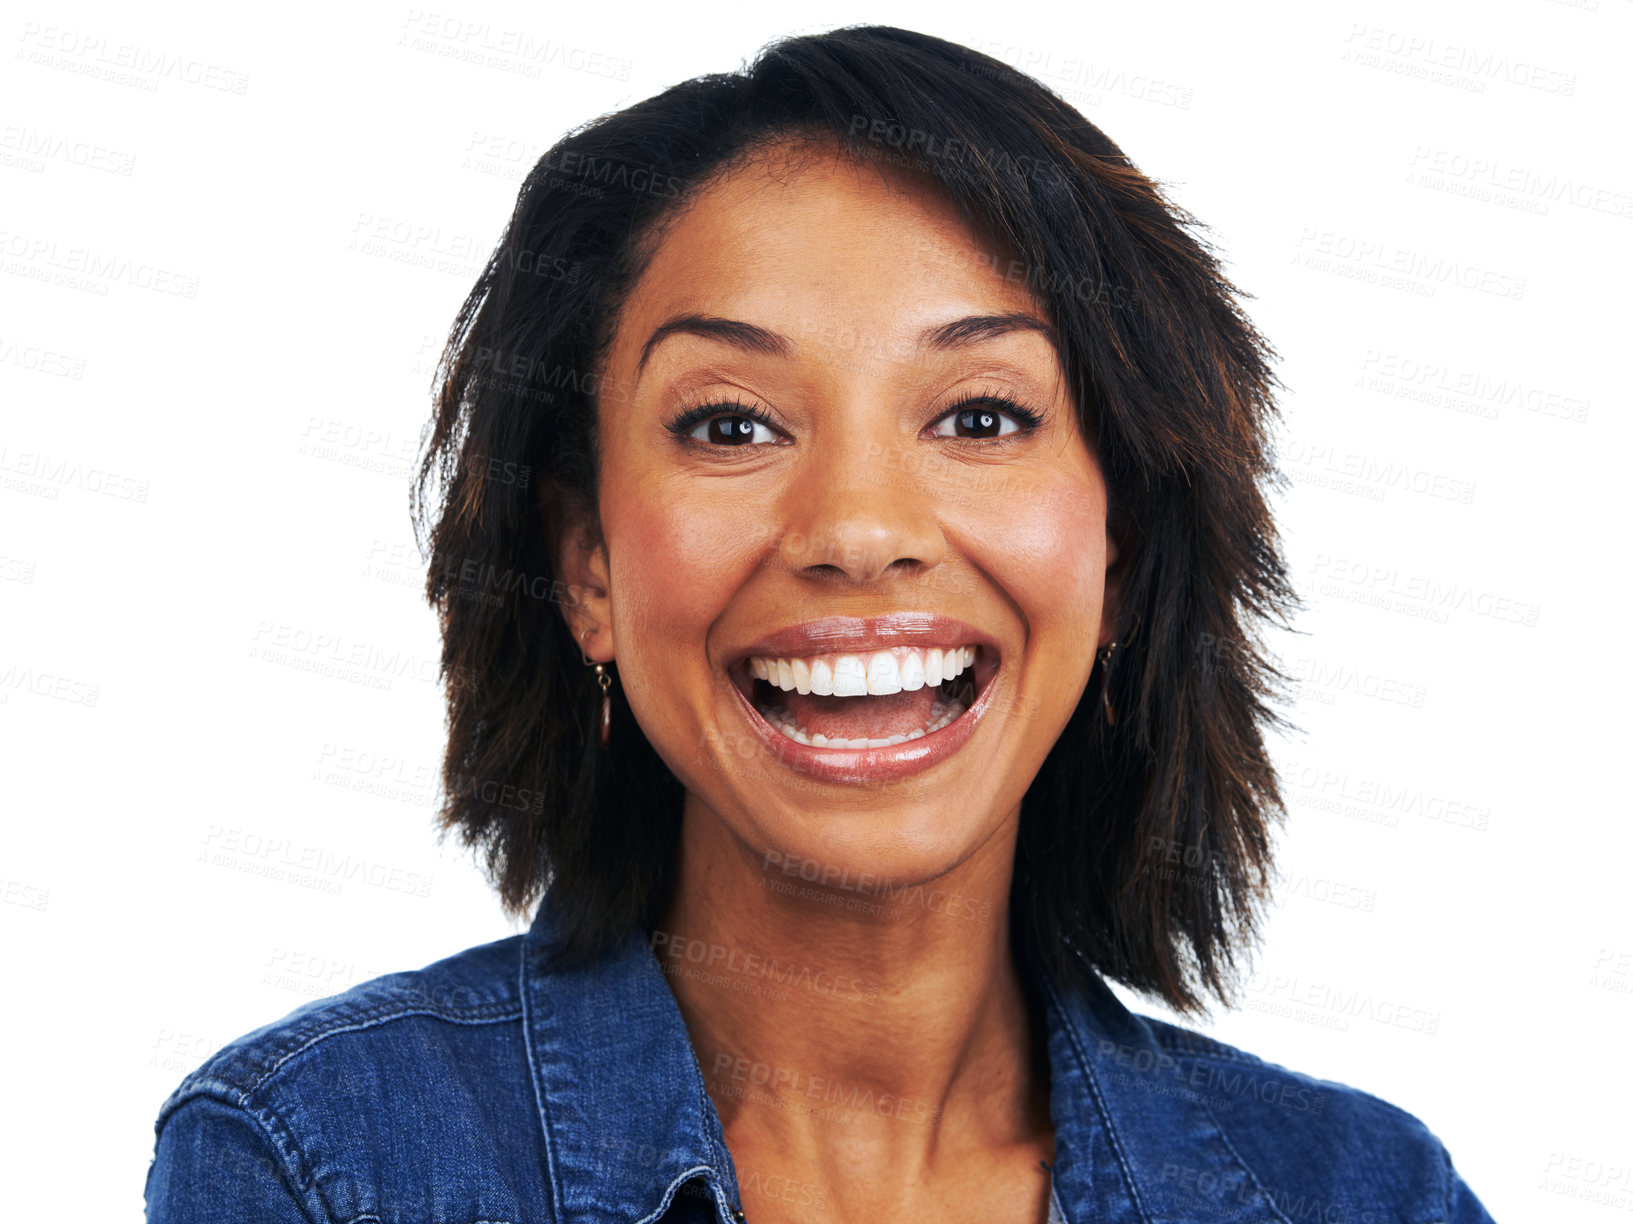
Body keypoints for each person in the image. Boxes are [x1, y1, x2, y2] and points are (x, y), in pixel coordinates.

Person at [145, 25, 1496, 1224]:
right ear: (587, 570)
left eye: (979, 416)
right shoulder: (322, 1163)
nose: (856, 528)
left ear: (1118, 546)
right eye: (729, 424)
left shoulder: (1357, 1195)